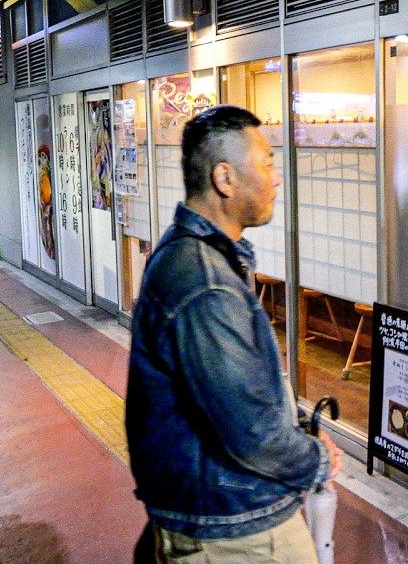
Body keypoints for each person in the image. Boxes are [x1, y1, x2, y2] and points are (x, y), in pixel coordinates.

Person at [126, 105, 340, 564]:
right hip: (232, 528)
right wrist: (316, 459)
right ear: (225, 178)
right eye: (266, 163)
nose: (276, 178)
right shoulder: (207, 283)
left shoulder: (189, 255)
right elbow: (250, 430)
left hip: (210, 510)